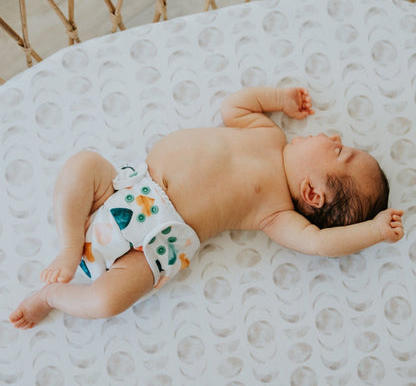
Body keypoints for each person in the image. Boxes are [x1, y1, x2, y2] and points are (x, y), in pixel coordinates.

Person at [9, 87, 404, 329]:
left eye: (338, 149)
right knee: (83, 164)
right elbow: (235, 105)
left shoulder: (277, 212)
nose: (333, 134)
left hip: (153, 246)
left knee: (107, 301)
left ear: (312, 194)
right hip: (123, 188)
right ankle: (69, 241)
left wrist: (374, 231)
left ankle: (49, 298)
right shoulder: (268, 132)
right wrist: (279, 99)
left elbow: (320, 243)